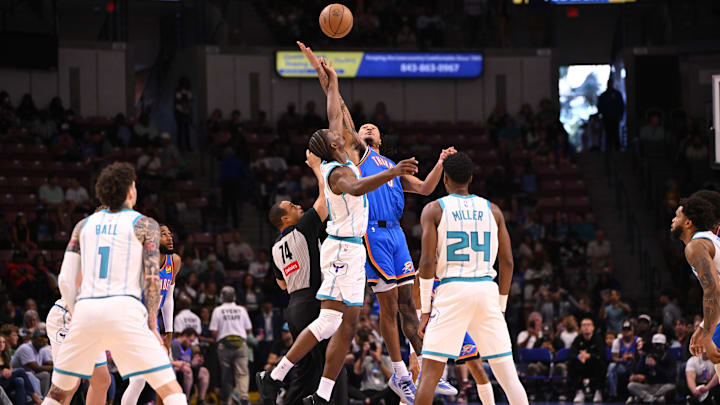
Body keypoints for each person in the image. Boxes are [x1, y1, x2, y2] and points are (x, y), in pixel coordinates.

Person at [297, 40, 457, 401]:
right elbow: (337, 110)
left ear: (381, 137)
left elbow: (429, 187)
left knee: (407, 306)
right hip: (370, 234)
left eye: (372, 127)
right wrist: (323, 75)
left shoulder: (392, 166)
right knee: (391, 305)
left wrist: (441, 161)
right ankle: (401, 374)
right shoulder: (357, 152)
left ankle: (423, 366)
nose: (366, 128)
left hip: (397, 234)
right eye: (362, 127)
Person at [257, 58, 417, 405]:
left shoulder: (340, 153)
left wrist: (331, 82)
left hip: (354, 251)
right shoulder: (338, 172)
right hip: (342, 250)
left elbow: (335, 114)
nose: (339, 134)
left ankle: (322, 395)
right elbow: (358, 188)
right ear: (329, 148)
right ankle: (275, 375)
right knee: (331, 322)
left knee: (347, 325)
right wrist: (394, 173)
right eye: (334, 137)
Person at [40, 162, 187, 405]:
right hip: (121, 310)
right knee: (171, 390)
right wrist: (152, 326)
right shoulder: (145, 225)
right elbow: (152, 282)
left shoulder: (82, 226)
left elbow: (65, 279)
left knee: (68, 390)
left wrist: (81, 314)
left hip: (83, 310)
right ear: (130, 192)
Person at [414, 152, 528, 405]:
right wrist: (502, 304)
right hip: (487, 289)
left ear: (444, 179)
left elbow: (427, 262)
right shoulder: (493, 210)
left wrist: (424, 310)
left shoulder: (434, 209)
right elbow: (507, 261)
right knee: (509, 377)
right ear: (472, 178)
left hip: (452, 289)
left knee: (430, 376)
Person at [260, 148, 345, 405]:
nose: (297, 205)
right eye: (291, 206)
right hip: (313, 303)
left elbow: (281, 284)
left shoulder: (275, 247)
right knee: (333, 360)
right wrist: (317, 167)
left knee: (305, 371)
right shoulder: (303, 226)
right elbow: (324, 200)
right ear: (285, 218)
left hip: (294, 306)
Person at [121, 223, 182, 405]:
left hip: (152, 323)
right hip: (135, 321)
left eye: (170, 234)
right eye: (164, 234)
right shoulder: (142, 260)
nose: (169, 237)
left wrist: (169, 333)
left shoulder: (175, 261)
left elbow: (168, 299)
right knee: (150, 377)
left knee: (141, 379)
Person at [671, 196, 720, 366]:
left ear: (688, 223)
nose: (673, 220)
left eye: (677, 216)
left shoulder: (696, 246)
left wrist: (707, 337)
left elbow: (713, 290)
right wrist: (702, 328)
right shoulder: (711, 240)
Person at [46, 292, 111, 405]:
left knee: (101, 380)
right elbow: (70, 284)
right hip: (70, 317)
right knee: (67, 384)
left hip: (93, 321)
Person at [210, 286, 253, 405]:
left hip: (224, 346)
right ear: (234, 297)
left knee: (226, 374)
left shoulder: (218, 310)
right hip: (241, 345)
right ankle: (244, 397)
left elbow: (214, 332)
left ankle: (227, 401)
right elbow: (249, 329)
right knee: (242, 373)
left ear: (221, 297)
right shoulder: (242, 310)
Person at [627, 334, 676, 403]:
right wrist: (643, 356)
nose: (657, 347)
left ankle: (644, 398)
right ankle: (653, 399)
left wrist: (656, 365)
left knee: (672, 387)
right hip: (650, 386)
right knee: (631, 385)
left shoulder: (669, 358)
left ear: (664, 345)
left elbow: (670, 376)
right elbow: (641, 372)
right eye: (655, 345)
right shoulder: (649, 356)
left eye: (659, 345)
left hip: (663, 386)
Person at [569, 318, 606, 403]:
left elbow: (601, 354)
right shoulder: (577, 339)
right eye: (584, 325)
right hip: (582, 365)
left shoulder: (598, 339)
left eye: (588, 325)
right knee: (572, 363)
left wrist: (589, 356)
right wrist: (579, 356)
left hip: (594, 365)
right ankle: (579, 391)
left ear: (593, 327)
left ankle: (598, 390)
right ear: (580, 328)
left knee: (601, 363)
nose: (586, 327)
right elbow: (571, 353)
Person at [0, 334, 42, 405]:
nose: (2, 344)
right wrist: (1, 372)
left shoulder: (5, 355)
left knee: (19, 380)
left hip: (6, 381)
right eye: (0, 342)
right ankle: (35, 397)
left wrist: (9, 372)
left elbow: (10, 369)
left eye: (3, 342)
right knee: (21, 371)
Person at [171, 328, 209, 403]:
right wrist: (189, 365)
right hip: (177, 372)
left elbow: (189, 362)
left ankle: (201, 400)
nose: (191, 343)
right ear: (184, 336)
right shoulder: (174, 345)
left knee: (204, 371)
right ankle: (186, 401)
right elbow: (172, 363)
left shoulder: (188, 348)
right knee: (188, 371)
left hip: (188, 370)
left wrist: (196, 362)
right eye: (190, 340)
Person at [10, 330, 52, 395]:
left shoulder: (42, 349)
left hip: (31, 375)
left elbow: (50, 362)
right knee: (45, 374)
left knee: (51, 374)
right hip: (18, 376)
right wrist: (54, 368)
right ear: (33, 339)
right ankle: (41, 399)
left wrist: (59, 368)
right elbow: (36, 368)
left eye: (45, 338)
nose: (43, 340)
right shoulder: (25, 348)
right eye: (40, 338)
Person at [607, 321, 638, 401]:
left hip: (635, 366)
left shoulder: (638, 340)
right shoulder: (617, 341)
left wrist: (633, 356)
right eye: (624, 330)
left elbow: (641, 356)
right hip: (623, 366)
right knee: (611, 367)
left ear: (632, 331)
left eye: (628, 330)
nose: (626, 332)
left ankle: (635, 395)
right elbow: (614, 358)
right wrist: (622, 359)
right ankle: (613, 394)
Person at [597, 77, 625, 151]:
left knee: (616, 136)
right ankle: (608, 153)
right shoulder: (603, 95)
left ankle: (618, 152)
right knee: (608, 137)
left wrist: (620, 116)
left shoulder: (617, 94)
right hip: (606, 119)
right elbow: (600, 107)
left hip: (615, 118)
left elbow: (621, 106)